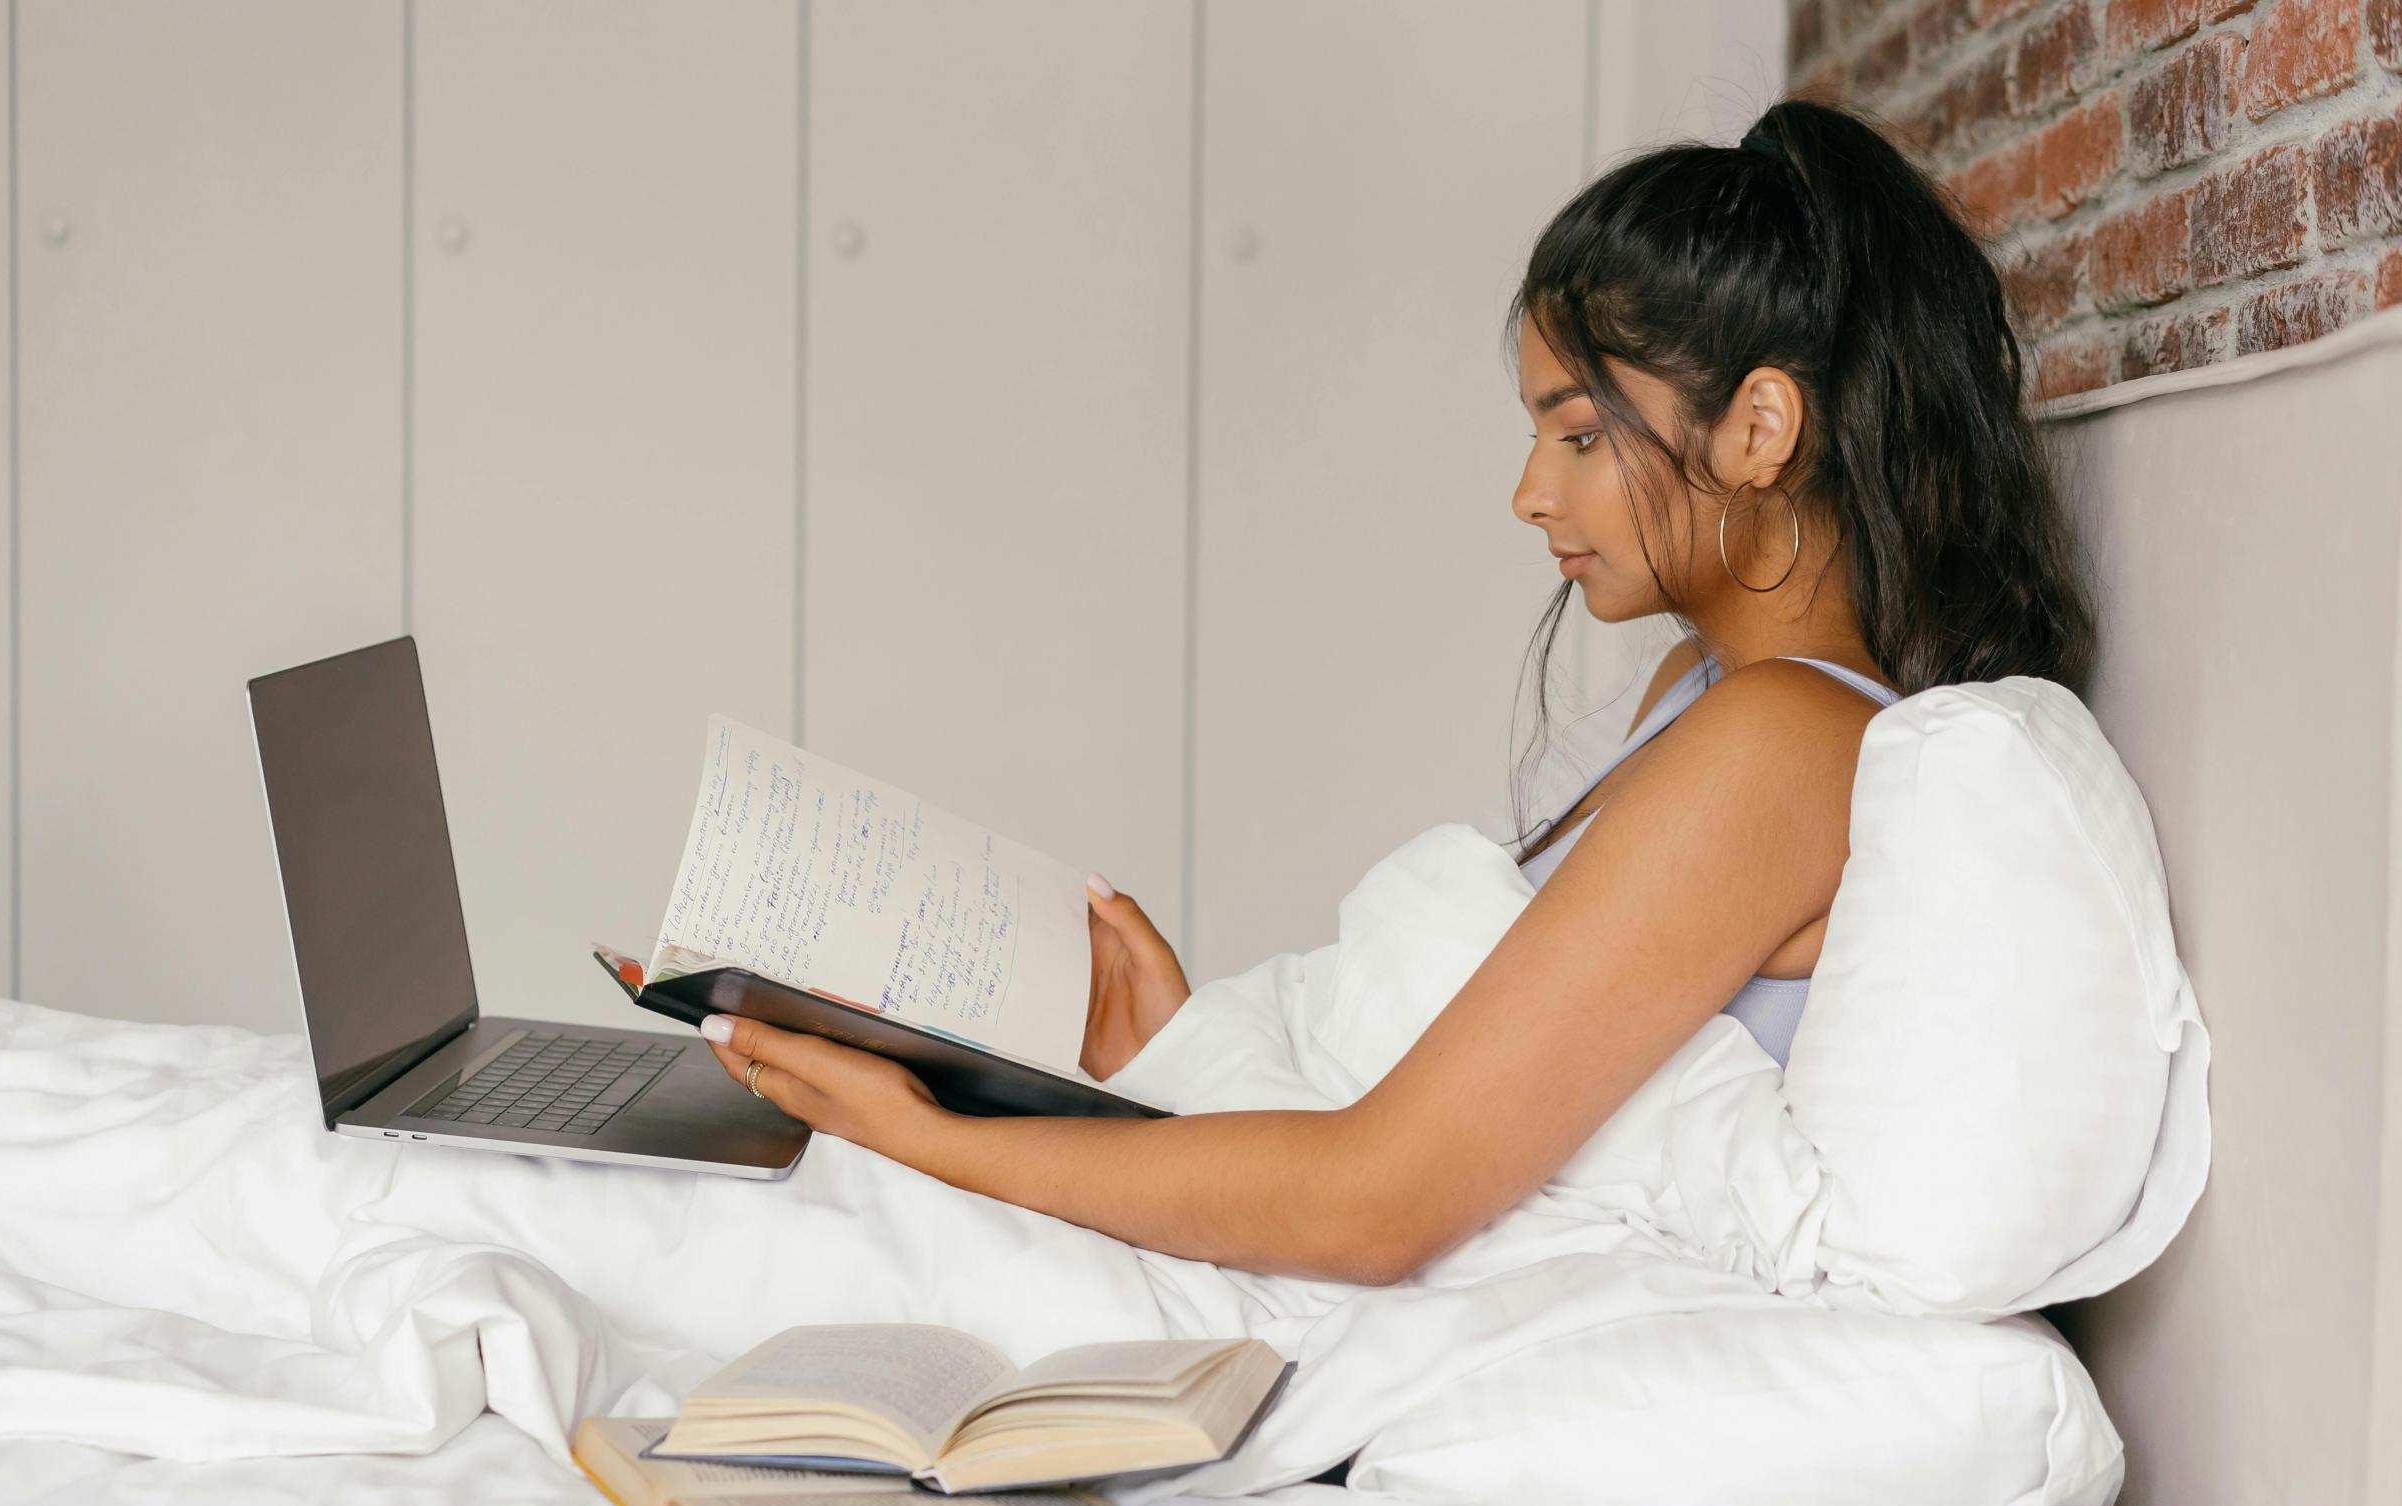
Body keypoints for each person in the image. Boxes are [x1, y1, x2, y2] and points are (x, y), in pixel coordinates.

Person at [692, 97, 2095, 1287]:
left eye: (1579, 432)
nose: (1531, 491)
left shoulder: (1784, 741)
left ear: (1761, 427)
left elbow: (1382, 1201)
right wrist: (1198, 1053)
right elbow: (1467, 1095)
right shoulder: (1703, 690)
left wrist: (929, 1137)